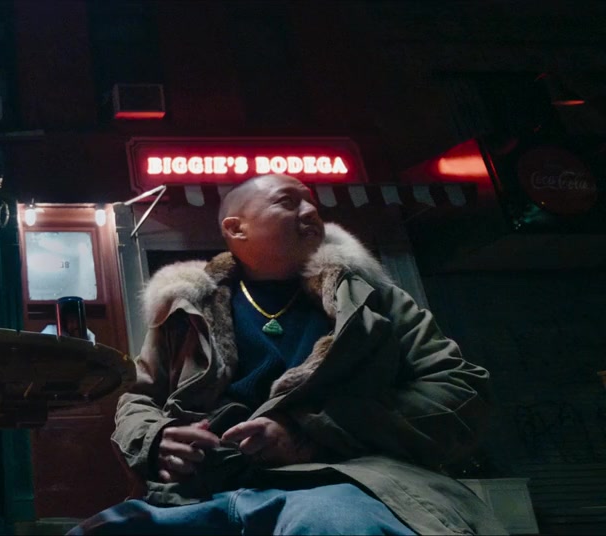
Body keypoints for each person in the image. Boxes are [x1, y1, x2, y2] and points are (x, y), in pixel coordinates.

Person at [73, 174, 505, 535]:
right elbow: (139, 398)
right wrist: (155, 440)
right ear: (236, 229)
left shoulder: (376, 300)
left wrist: (307, 432)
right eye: (288, 201)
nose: (312, 211)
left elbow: (461, 391)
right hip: (200, 492)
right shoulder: (186, 308)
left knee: (330, 524)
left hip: (345, 481)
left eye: (313, 202)